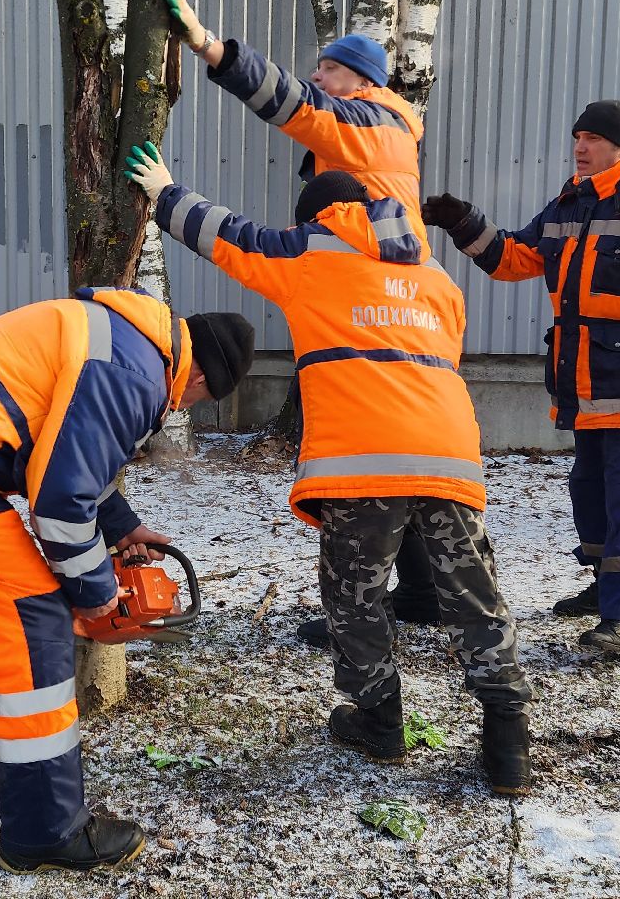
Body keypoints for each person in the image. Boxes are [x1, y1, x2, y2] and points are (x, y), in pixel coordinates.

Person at [126, 143, 534, 795]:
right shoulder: (434, 276)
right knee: (475, 597)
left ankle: (379, 721)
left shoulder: (309, 254)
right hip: (447, 453)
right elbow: (446, 345)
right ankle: (508, 744)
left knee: (355, 598)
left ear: (317, 217)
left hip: (363, 458)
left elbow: (230, 238)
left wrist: (165, 194)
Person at [0, 289, 254, 873]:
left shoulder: (129, 339)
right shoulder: (133, 379)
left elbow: (65, 450)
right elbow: (60, 505)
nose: (182, 410)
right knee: (32, 625)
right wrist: (97, 598)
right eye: (195, 402)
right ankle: (45, 831)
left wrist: (124, 527)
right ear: (198, 384)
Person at [162, 0, 446, 641]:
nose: (317, 76)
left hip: (365, 314)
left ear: (357, 81)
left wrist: (210, 47)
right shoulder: (384, 139)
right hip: (399, 316)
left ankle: (356, 616)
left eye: (329, 69)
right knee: (398, 454)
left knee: (359, 468)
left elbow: (293, 107)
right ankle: (425, 592)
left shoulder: (366, 123)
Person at [422, 101, 620, 657]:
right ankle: (605, 585)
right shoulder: (569, 202)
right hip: (581, 381)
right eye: (578, 136)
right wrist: (463, 220)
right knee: (591, 489)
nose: (581, 147)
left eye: (594, 139)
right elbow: (515, 257)